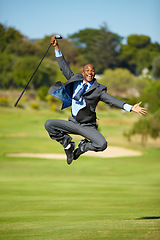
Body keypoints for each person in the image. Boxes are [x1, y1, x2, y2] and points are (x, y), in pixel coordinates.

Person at [45, 36, 147, 165]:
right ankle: (68, 145)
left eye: (92, 71)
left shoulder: (98, 89)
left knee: (102, 144)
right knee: (49, 125)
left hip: (87, 126)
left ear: (94, 73)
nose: (90, 72)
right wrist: (56, 48)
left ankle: (82, 147)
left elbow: (111, 100)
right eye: (87, 70)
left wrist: (130, 107)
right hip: (73, 123)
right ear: (83, 73)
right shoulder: (75, 80)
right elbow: (63, 66)